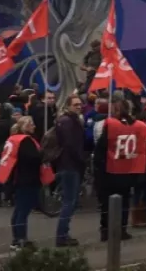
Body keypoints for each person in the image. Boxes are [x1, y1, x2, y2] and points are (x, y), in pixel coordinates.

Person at [94, 98, 146, 242]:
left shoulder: (111, 125)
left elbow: (100, 149)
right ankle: (122, 230)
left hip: (111, 170)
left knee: (107, 203)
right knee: (124, 203)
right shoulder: (140, 126)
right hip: (129, 171)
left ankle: (105, 231)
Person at [0, 116, 43, 250]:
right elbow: (34, 158)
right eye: (32, 124)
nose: (34, 127)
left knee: (19, 210)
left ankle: (16, 239)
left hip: (16, 178)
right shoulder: (26, 141)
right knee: (23, 211)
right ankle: (21, 240)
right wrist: (43, 154)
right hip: (27, 179)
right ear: (26, 126)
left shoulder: (13, 139)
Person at [54, 94, 86, 246]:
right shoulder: (68, 122)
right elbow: (70, 144)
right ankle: (62, 236)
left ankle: (63, 233)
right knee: (69, 202)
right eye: (76, 104)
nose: (79, 106)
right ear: (68, 106)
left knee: (70, 201)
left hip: (68, 164)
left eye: (80, 104)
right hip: (70, 165)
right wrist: (81, 159)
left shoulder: (68, 120)